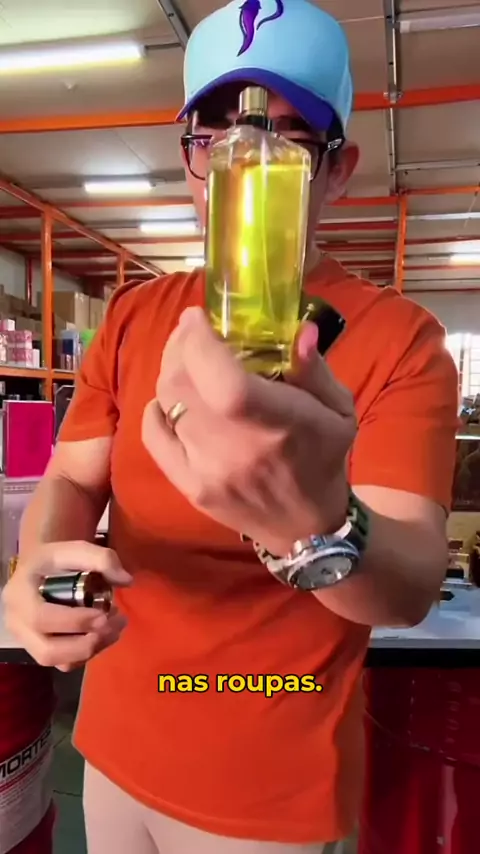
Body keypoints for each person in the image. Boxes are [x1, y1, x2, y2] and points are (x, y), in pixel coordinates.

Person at [2, 1, 458, 852]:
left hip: (264, 791)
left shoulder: (402, 343)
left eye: (286, 137)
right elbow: (69, 477)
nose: (244, 161)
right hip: (115, 746)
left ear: (337, 170)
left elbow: (407, 588)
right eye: (214, 136)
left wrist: (318, 525)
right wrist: (40, 567)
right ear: (190, 160)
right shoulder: (134, 315)